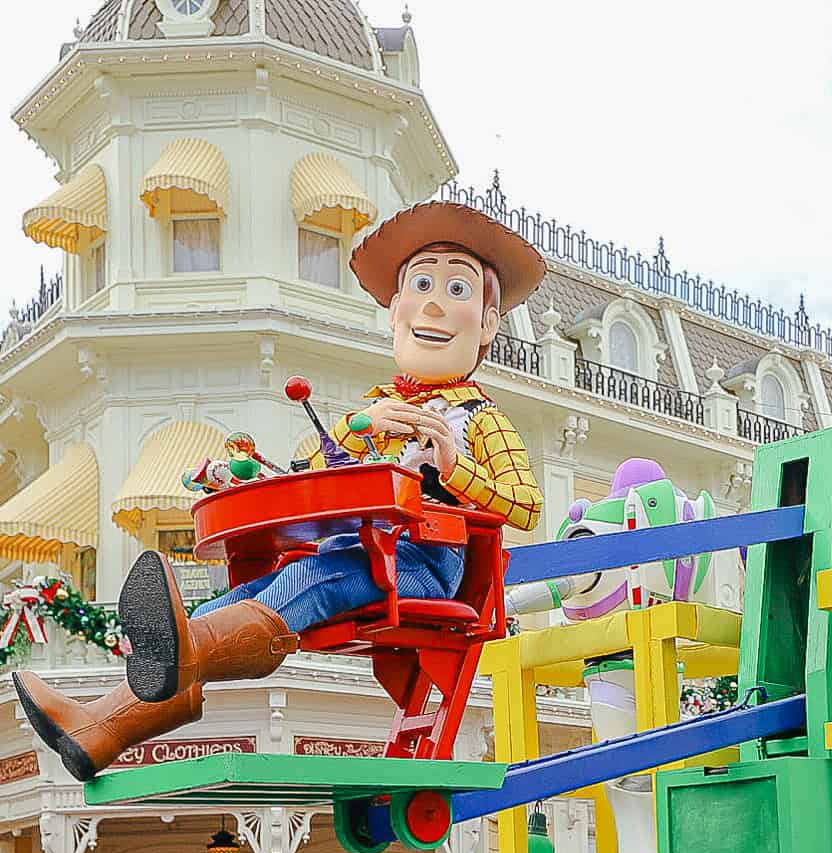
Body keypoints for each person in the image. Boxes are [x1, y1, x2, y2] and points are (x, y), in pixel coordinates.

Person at [16, 199, 547, 780]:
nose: (435, 303)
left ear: (488, 324)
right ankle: (98, 729)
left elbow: (525, 505)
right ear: (396, 311)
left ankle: (161, 670)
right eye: (421, 285)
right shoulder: (374, 411)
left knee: (304, 581)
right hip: (356, 553)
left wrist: (452, 468)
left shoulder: (480, 419)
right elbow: (305, 473)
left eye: (457, 290)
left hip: (424, 565)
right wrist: (354, 428)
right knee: (223, 608)